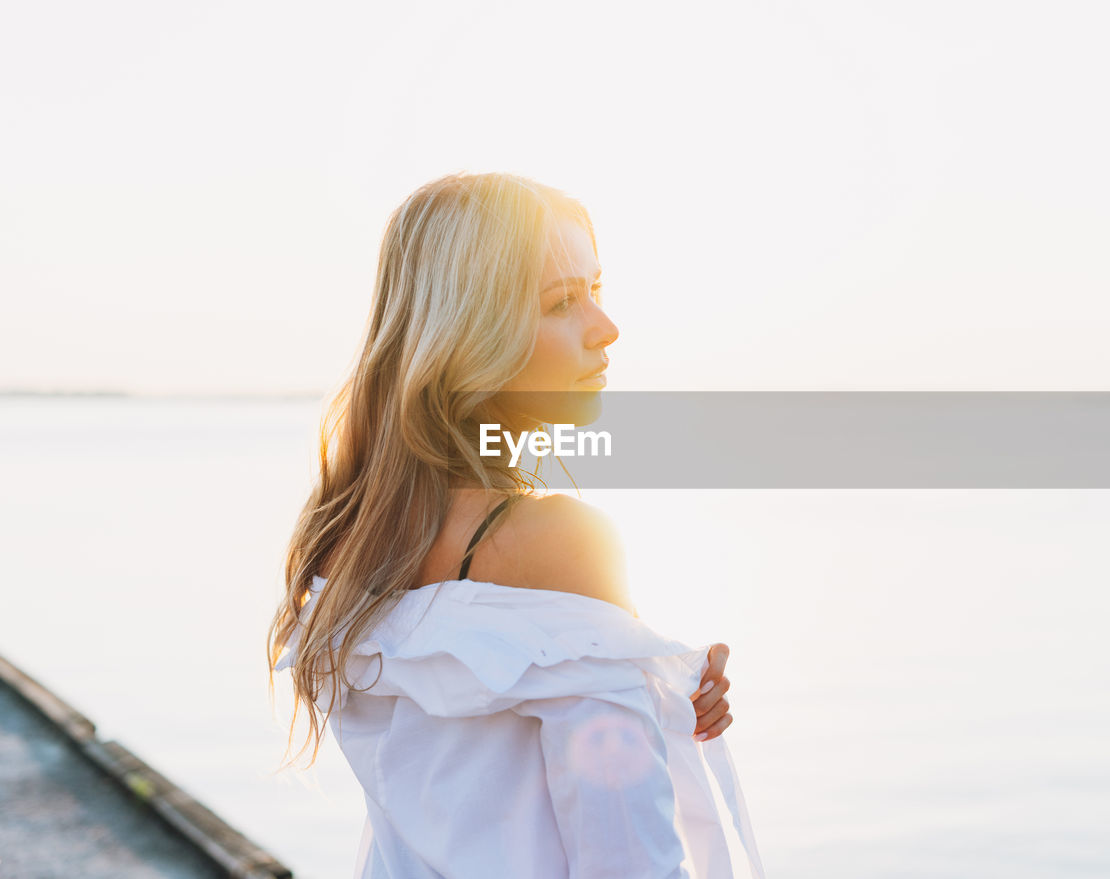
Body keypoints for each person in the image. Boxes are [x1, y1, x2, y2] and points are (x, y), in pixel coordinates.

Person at [267, 172, 765, 878]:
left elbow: (456, 779)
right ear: (469, 332)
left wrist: (656, 688)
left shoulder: (349, 534)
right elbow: (628, 858)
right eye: (563, 302)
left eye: (597, 289)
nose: (606, 327)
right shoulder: (558, 541)